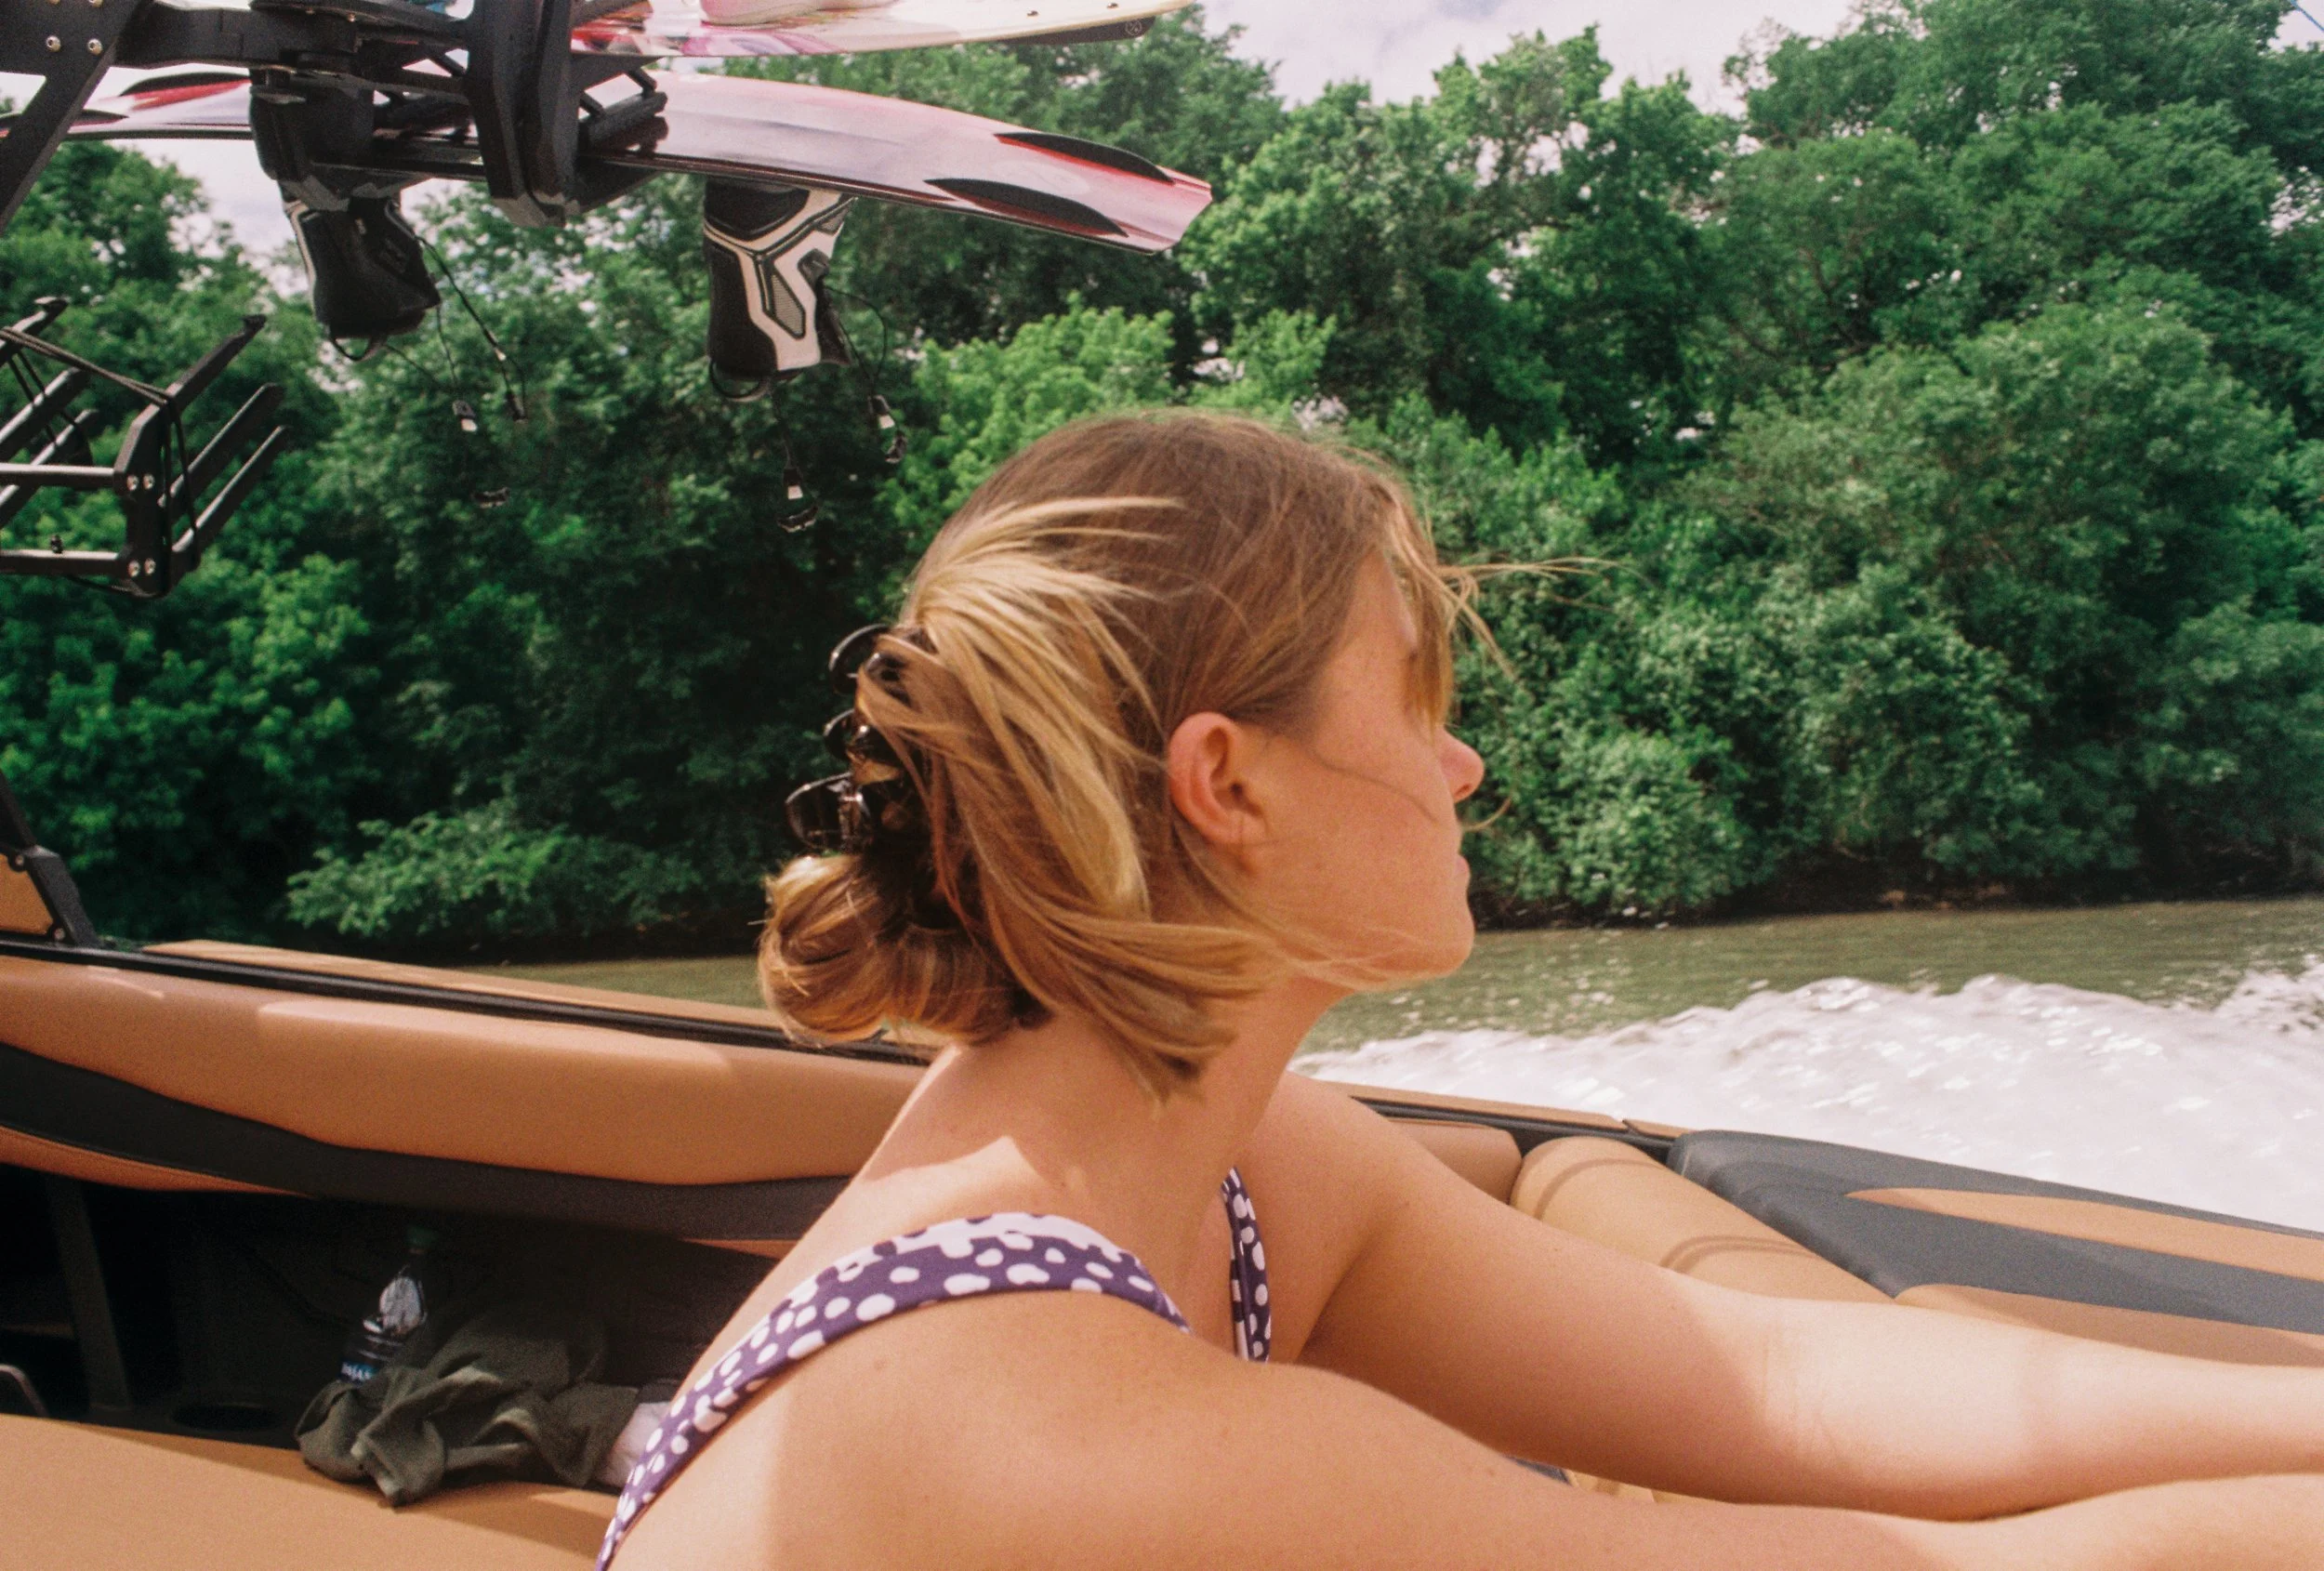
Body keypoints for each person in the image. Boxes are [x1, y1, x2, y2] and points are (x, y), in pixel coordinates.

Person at [603, 412, 2324, 1570]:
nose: (1466, 761)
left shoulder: (1234, 1161)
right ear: (1233, 782)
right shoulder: (1076, 1430)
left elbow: (1782, 1385)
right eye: (1414, 698)